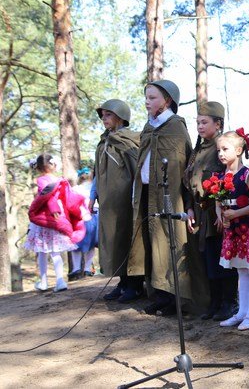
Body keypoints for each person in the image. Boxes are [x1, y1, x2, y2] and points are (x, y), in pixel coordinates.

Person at [128, 80, 194, 317]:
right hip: (148, 193)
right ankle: (159, 294)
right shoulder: (149, 127)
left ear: (167, 100)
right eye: (146, 96)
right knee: (151, 243)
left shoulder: (175, 127)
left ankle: (175, 296)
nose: (147, 101)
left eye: (153, 97)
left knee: (169, 242)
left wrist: (187, 201)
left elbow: (185, 164)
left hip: (169, 195)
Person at [183, 101, 238, 321]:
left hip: (218, 213)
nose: (199, 126)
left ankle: (229, 302)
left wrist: (222, 209)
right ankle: (214, 302)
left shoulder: (222, 147)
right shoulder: (198, 151)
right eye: (197, 122)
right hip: (200, 214)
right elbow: (188, 181)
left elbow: (229, 178)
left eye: (204, 122)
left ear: (218, 124)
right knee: (209, 261)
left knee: (223, 259)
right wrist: (189, 207)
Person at [90, 99, 141, 302]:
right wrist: (92, 195)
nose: (104, 118)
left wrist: (134, 196)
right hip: (108, 202)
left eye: (108, 114)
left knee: (128, 239)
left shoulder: (129, 140)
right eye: (102, 115)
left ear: (120, 116)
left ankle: (135, 285)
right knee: (113, 240)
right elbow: (97, 173)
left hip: (125, 199)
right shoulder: (103, 143)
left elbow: (137, 169)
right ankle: (122, 282)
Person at [214, 130, 249, 331]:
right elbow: (218, 202)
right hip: (232, 229)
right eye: (219, 150)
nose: (221, 153)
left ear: (239, 150)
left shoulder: (247, 175)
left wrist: (237, 213)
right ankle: (242, 311)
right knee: (241, 270)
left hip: (248, 228)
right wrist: (221, 215)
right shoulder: (219, 176)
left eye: (225, 149)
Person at [24, 154, 84, 292]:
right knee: (55, 252)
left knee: (43, 252)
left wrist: (53, 209)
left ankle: (44, 282)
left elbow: (47, 195)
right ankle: (60, 280)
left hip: (46, 218)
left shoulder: (41, 180)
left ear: (38, 168)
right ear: (54, 166)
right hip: (58, 217)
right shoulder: (58, 180)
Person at [69, 167, 98, 280]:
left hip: (79, 218)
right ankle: (86, 268)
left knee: (75, 244)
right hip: (94, 216)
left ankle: (76, 268)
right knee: (91, 245)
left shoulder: (75, 189)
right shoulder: (94, 187)